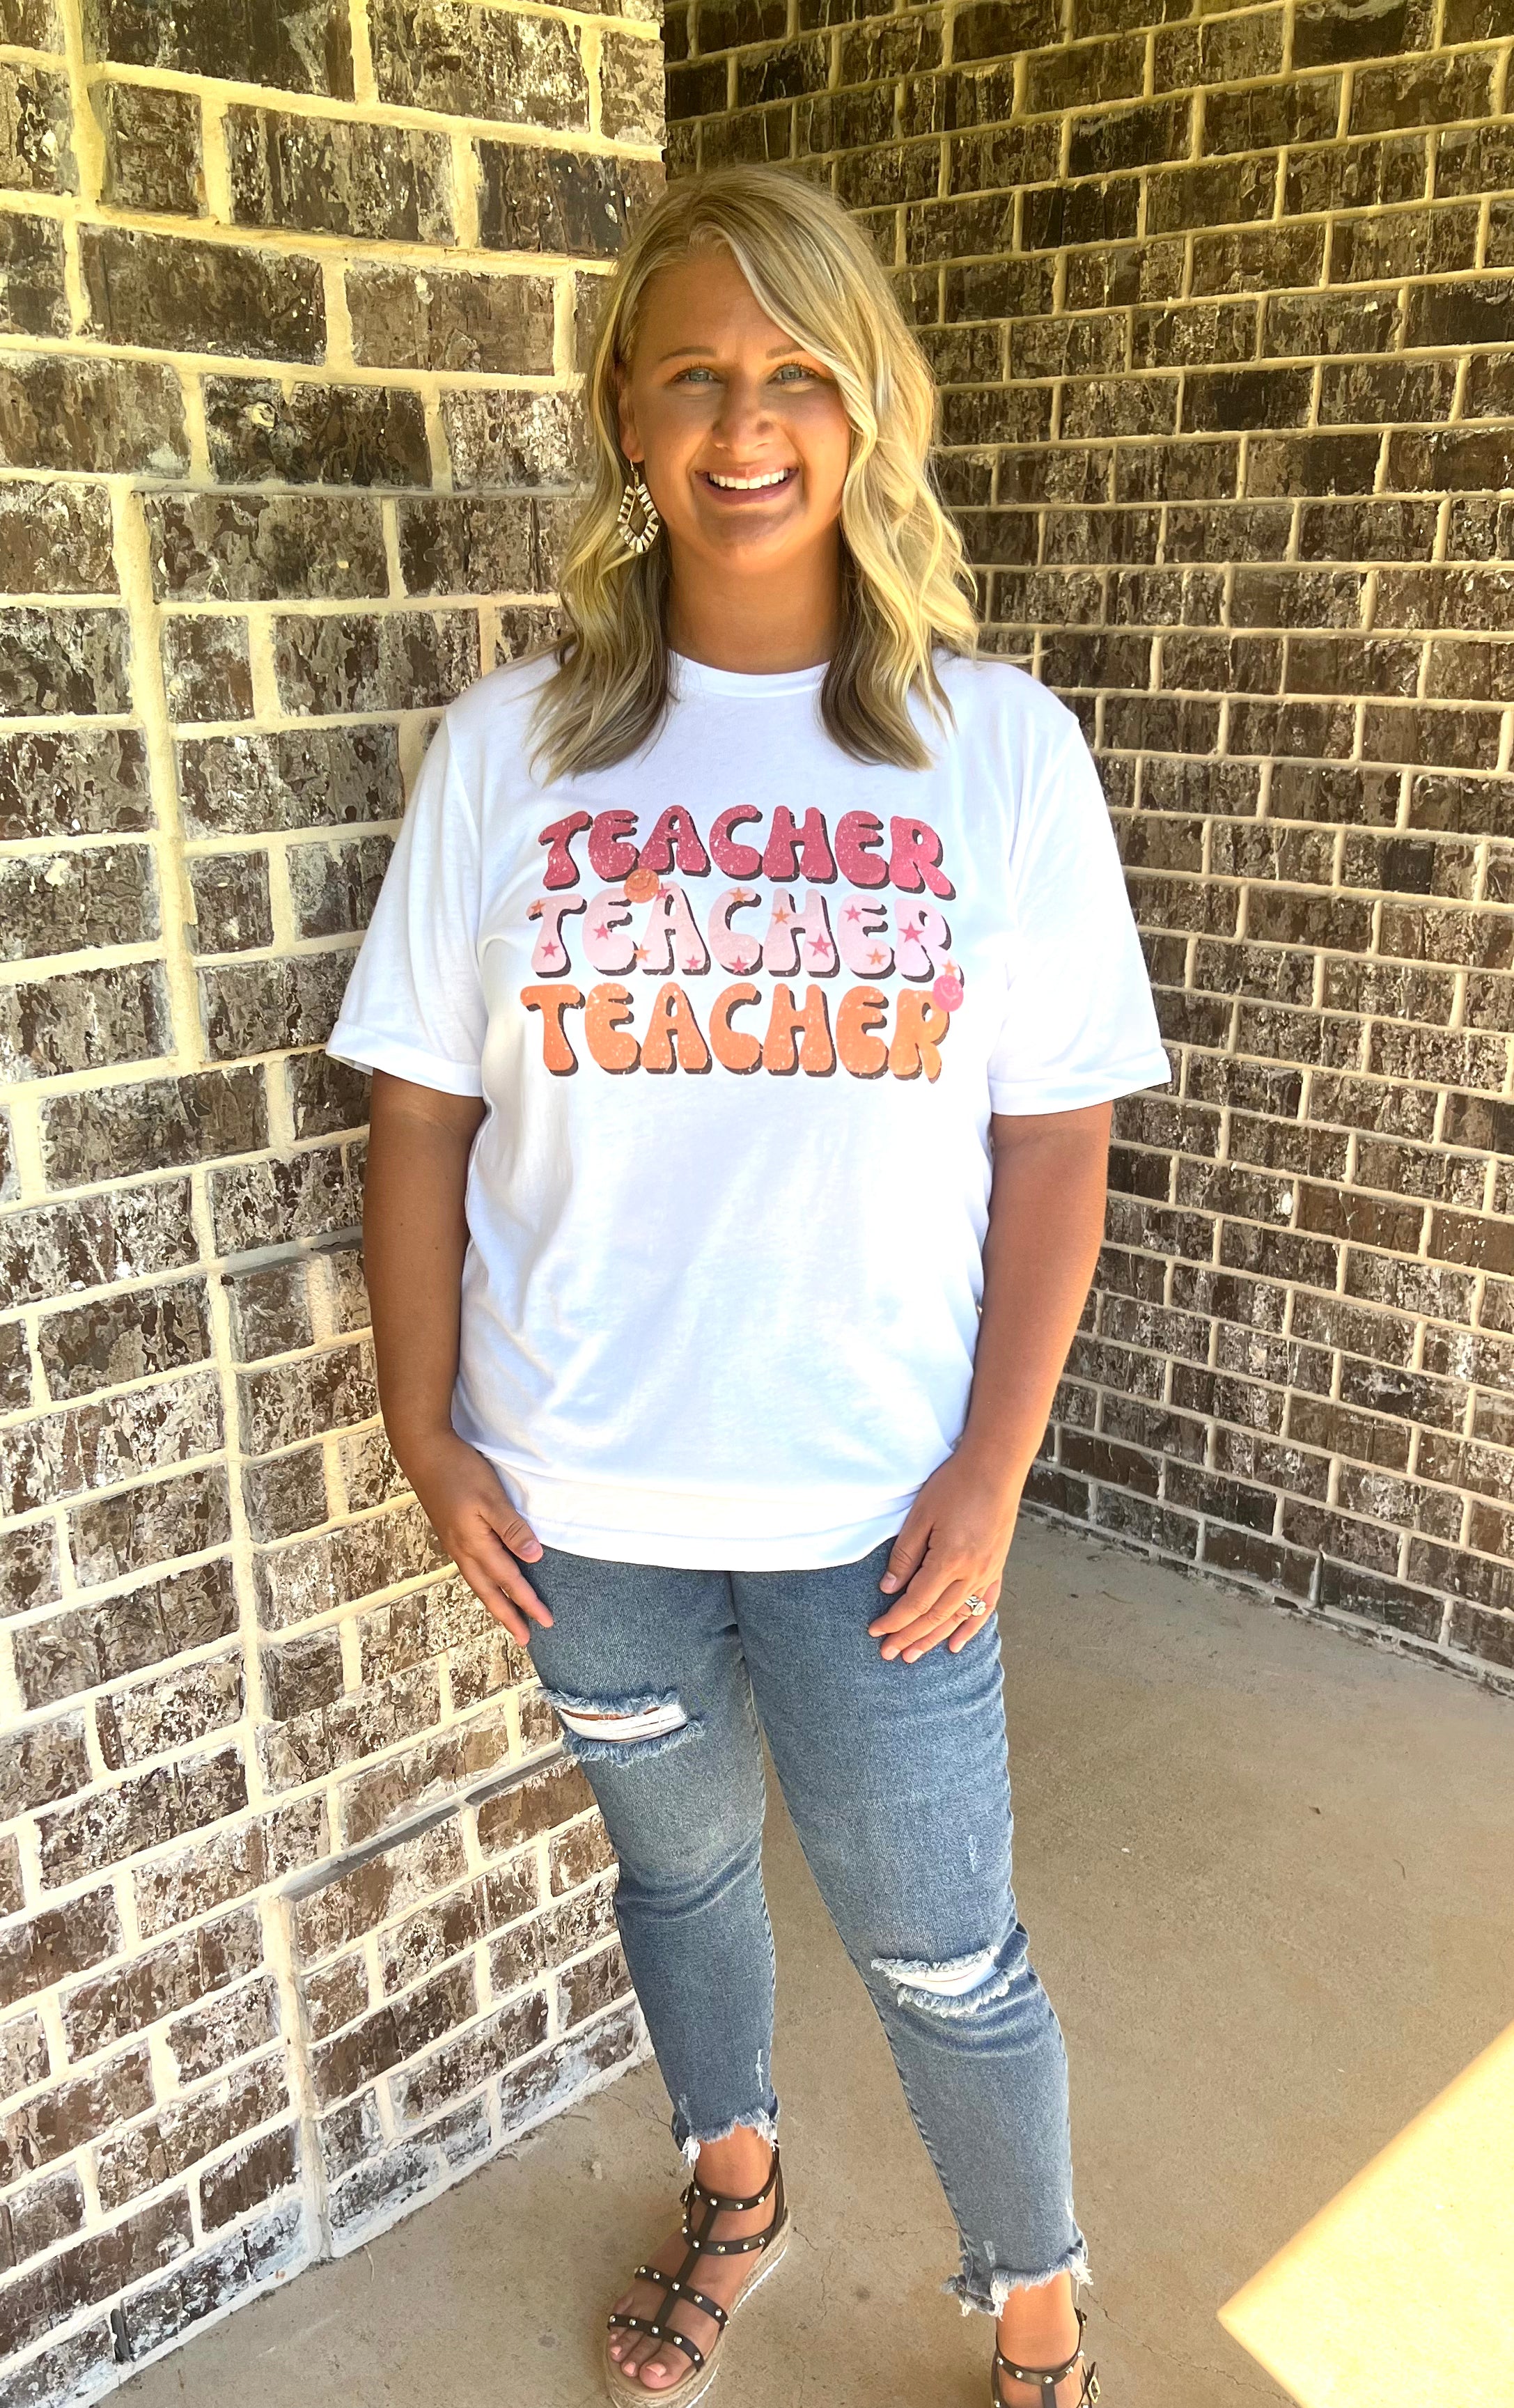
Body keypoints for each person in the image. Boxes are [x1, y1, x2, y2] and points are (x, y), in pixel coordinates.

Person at [326, 164, 1169, 2408]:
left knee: (943, 1946)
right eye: (693, 372)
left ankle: (1037, 2310)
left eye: (797, 369)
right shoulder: (512, 749)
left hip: (881, 1510)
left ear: (869, 403)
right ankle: (737, 2187)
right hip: (578, 1502)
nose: (745, 421)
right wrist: (424, 1423)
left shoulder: (998, 750)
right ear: (624, 409)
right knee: (683, 1883)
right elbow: (420, 1106)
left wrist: (997, 1465)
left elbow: (1056, 1135)